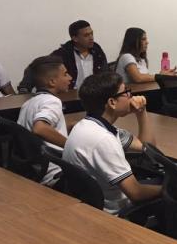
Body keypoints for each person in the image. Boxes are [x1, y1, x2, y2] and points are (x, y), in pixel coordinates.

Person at [63, 72, 162, 214]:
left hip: (89, 205)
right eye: (126, 92)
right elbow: (136, 193)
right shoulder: (103, 140)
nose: (131, 96)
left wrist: (141, 112)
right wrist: (168, 189)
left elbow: (148, 149)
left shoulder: (85, 126)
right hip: (115, 211)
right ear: (112, 102)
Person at [16, 55, 72, 186]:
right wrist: (71, 146)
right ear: (52, 82)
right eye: (65, 74)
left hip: (38, 171)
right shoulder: (52, 101)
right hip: (57, 173)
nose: (70, 77)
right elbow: (40, 128)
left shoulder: (29, 103)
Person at [17, 20, 109, 93]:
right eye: (86, 35)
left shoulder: (97, 52)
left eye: (91, 33)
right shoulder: (64, 53)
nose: (91, 37)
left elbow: (106, 74)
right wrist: (24, 88)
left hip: (93, 96)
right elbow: (37, 67)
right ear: (75, 38)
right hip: (69, 97)